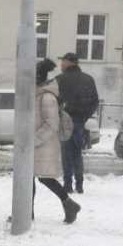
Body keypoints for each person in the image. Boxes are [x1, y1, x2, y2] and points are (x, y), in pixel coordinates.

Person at [36, 59, 82, 223]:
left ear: (38, 78)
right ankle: (27, 212)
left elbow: (52, 124)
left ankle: (69, 204)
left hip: (43, 145)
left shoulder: (47, 97)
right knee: (31, 177)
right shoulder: (39, 94)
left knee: (43, 178)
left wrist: (33, 140)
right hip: (39, 144)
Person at [55, 52, 99, 194]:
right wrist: (84, 117)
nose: (61, 64)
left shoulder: (60, 79)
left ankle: (68, 184)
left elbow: (53, 100)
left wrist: (59, 114)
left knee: (66, 153)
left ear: (69, 62)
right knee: (77, 153)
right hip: (80, 121)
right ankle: (79, 184)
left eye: (63, 61)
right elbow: (94, 101)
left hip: (65, 120)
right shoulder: (88, 79)